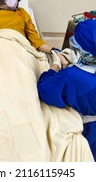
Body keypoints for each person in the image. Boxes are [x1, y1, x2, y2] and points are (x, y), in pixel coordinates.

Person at [37, 19, 96, 160]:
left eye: (76, 42)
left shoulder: (72, 77)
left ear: (84, 51)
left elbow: (44, 90)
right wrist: (77, 63)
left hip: (90, 131)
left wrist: (55, 67)